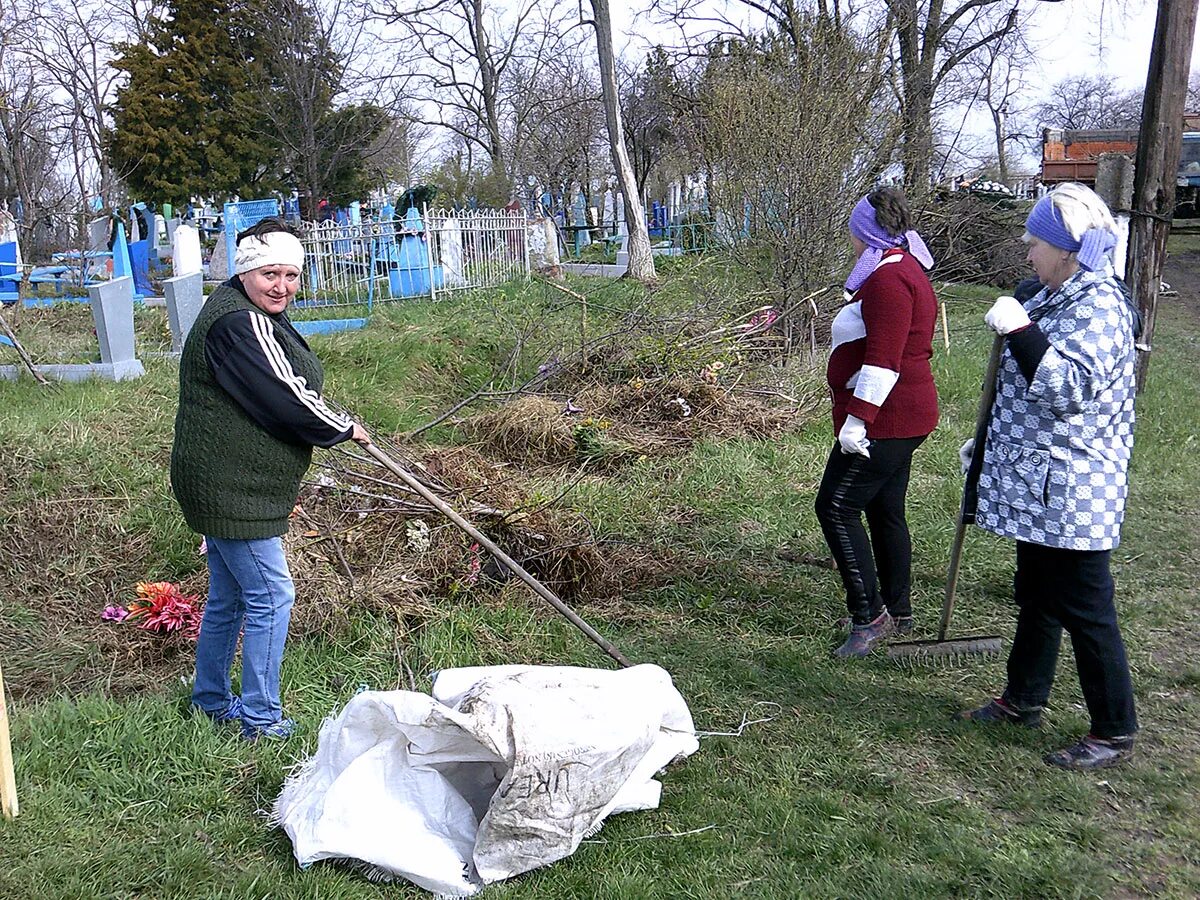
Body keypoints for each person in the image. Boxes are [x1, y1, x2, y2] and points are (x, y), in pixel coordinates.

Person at [957, 182, 1139, 770]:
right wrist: (986, 445)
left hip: (1075, 489)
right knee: (1035, 594)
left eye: (1035, 243)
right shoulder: (1055, 294)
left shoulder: (1100, 307)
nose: (1027, 251)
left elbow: (1063, 388)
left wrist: (1018, 330)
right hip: (1040, 481)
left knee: (1087, 608)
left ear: (1066, 250)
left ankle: (1114, 729)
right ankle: (1023, 699)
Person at [171, 218, 369, 741]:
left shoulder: (244, 309)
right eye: (270, 274)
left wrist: (328, 414)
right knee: (273, 595)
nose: (282, 286)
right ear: (246, 272)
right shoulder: (238, 322)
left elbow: (287, 378)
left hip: (225, 479)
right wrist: (340, 427)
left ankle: (211, 701)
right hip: (235, 487)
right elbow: (284, 393)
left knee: (230, 597)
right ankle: (260, 718)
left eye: (292, 275)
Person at [816, 187, 939, 658]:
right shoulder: (901, 266)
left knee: (835, 507)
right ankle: (899, 607)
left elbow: (885, 361)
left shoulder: (889, 279)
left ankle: (869, 616)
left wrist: (857, 421)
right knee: (885, 508)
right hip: (903, 413)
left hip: (886, 417)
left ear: (864, 231)